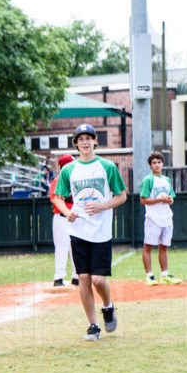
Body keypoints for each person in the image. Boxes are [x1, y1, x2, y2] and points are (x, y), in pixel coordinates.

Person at [51, 124, 127, 341]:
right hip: (78, 229)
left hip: (101, 231)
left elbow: (122, 196)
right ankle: (93, 325)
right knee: (83, 277)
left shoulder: (107, 167)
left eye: (88, 138)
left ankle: (108, 305)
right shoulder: (69, 170)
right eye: (80, 139)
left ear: (95, 141)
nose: (84, 142)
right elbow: (58, 197)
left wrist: (102, 206)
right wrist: (67, 212)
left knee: (98, 280)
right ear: (75, 144)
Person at [140, 150, 181, 286]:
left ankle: (164, 275)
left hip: (166, 217)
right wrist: (158, 200)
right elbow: (143, 200)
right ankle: (149, 275)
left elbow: (172, 198)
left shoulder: (166, 180)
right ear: (150, 165)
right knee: (148, 246)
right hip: (153, 217)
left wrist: (168, 200)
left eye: (159, 162)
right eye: (154, 163)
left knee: (164, 246)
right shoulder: (148, 180)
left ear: (163, 164)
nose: (157, 165)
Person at [51, 154, 79, 287]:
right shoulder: (57, 180)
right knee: (62, 248)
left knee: (75, 247)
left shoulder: (75, 180)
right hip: (62, 219)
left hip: (74, 219)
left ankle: (76, 276)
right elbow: (54, 199)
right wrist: (67, 212)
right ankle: (59, 278)